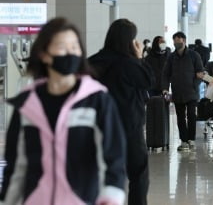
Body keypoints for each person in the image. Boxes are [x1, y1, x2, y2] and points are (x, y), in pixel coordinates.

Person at [0, 18, 126, 205]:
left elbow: (113, 158)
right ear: (44, 54)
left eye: (75, 47)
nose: (70, 53)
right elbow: (17, 163)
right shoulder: (28, 102)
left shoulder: (97, 100)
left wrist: (111, 197)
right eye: (62, 47)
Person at [89, 19, 154, 205]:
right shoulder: (130, 64)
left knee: (100, 173)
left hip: (99, 126)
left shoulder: (93, 62)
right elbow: (149, 80)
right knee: (138, 174)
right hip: (130, 126)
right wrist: (140, 57)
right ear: (130, 41)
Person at [162, 31, 204, 151]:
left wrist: (194, 85)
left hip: (191, 92)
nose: (176, 43)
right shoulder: (171, 57)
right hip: (177, 92)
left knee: (191, 115)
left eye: (178, 40)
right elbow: (166, 74)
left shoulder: (194, 55)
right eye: (174, 40)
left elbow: (200, 72)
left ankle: (191, 139)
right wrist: (165, 89)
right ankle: (184, 140)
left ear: (184, 41)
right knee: (180, 117)